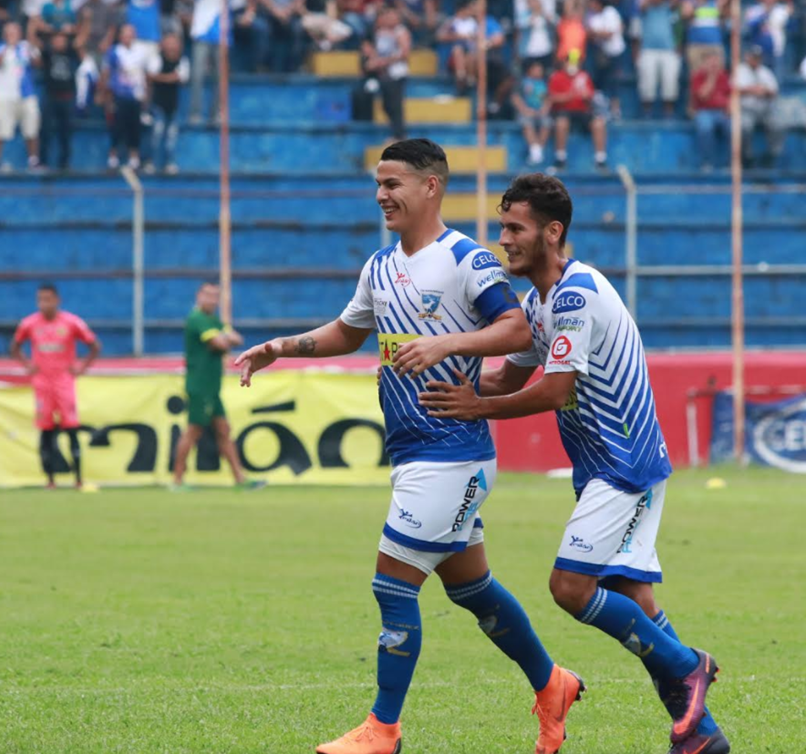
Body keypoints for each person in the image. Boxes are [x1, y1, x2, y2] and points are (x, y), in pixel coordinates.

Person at [234, 139, 582, 754]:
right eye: (378, 184)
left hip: (453, 451)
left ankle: (383, 730)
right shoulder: (379, 266)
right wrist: (280, 347)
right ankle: (552, 683)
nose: (381, 195)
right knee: (472, 589)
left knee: (392, 585)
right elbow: (348, 332)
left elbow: (515, 327)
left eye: (392, 183)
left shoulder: (466, 260)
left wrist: (447, 344)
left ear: (431, 186)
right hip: (413, 454)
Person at [418, 172, 729, 754]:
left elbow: (554, 390)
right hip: (605, 467)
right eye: (501, 227)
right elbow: (507, 378)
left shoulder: (575, 295)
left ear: (552, 231)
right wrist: (435, 383)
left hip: (624, 463)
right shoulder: (538, 303)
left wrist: (476, 407)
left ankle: (689, 666)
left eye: (515, 228)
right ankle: (701, 735)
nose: (503, 240)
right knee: (631, 596)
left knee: (570, 587)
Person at [171, 282, 264, 491]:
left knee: (223, 430)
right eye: (208, 295)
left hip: (212, 387)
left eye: (215, 296)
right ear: (199, 296)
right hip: (200, 385)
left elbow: (237, 339)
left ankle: (239, 478)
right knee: (193, 431)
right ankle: (177, 480)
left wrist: (225, 337)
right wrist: (225, 337)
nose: (212, 300)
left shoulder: (214, 321)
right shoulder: (197, 319)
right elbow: (220, 343)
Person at [10, 284, 101, 490]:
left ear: (57, 300)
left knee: (71, 429)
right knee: (46, 431)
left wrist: (82, 367)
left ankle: (78, 479)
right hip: (42, 384)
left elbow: (94, 345)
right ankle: (50, 480)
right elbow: (14, 346)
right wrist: (26, 365)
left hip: (64, 383)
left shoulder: (71, 322)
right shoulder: (29, 323)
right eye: (40, 300)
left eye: (48, 299)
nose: (44, 304)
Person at [0, 22, 42, 172]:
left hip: (26, 94)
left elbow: (38, 63)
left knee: (31, 129)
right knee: (0, 130)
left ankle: (33, 160)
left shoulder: (26, 47)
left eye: (15, 32)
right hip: (4, 96)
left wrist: (31, 47)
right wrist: (8, 47)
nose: (12, 35)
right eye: (9, 32)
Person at [548, 48, 608, 170]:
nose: (573, 64)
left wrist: (587, 96)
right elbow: (551, 98)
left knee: (599, 123)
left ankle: (600, 159)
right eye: (570, 61)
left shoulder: (584, 76)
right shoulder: (556, 77)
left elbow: (591, 96)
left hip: (583, 111)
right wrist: (568, 96)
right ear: (564, 63)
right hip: (563, 111)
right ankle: (560, 159)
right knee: (561, 123)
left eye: (576, 62)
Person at [361, 7, 411, 141]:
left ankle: (400, 135)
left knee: (395, 105)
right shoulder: (379, 32)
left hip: (397, 73)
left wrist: (383, 62)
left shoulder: (400, 31)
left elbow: (404, 53)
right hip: (384, 74)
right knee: (386, 105)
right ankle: (396, 132)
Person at [103, 23, 147, 170]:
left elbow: (144, 75)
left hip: (136, 95)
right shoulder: (114, 51)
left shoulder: (140, 52)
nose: (128, 37)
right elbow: (107, 73)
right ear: (120, 36)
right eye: (125, 34)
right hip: (119, 95)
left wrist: (145, 95)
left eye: (130, 34)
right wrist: (107, 96)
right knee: (117, 126)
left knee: (135, 127)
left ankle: (134, 157)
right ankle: (113, 156)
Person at [145, 31, 189, 173]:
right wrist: (170, 77)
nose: (171, 47)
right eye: (168, 43)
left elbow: (182, 79)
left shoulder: (183, 61)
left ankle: (170, 163)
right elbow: (150, 76)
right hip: (158, 103)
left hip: (174, 104)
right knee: (156, 133)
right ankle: (151, 162)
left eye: (174, 43)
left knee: (171, 136)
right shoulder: (156, 59)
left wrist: (161, 77)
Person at [735, 44, 785, 168]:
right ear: (747, 56)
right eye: (753, 57)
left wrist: (765, 91)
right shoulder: (740, 70)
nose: (755, 59)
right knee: (744, 126)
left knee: (779, 124)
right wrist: (753, 90)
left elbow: (774, 91)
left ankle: (772, 154)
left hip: (764, 109)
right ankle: (746, 156)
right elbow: (735, 89)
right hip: (746, 109)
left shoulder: (765, 72)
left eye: (757, 57)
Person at [40, 31, 78, 171]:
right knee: (45, 130)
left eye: (62, 40)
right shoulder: (47, 54)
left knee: (66, 132)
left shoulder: (71, 54)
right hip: (51, 97)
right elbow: (34, 43)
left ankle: (64, 163)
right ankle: (43, 161)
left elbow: (80, 41)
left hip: (67, 97)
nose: (59, 43)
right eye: (56, 40)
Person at [636, 0, 680, 118]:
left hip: (669, 49)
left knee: (670, 81)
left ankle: (668, 113)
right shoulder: (645, 7)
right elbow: (642, 5)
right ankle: (647, 113)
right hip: (647, 49)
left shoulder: (669, 7)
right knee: (647, 82)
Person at [690, 49, 729, 171]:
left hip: (722, 112)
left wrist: (730, 107)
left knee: (733, 127)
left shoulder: (724, 76)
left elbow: (731, 94)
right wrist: (711, 77)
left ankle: (729, 164)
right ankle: (707, 163)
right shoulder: (697, 76)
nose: (714, 64)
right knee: (705, 128)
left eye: (716, 61)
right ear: (704, 63)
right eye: (711, 61)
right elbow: (703, 95)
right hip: (704, 111)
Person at [585, 0, 624, 117]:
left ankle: (615, 110)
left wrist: (596, 33)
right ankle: (600, 109)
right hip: (601, 54)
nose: (591, 5)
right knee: (599, 81)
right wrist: (598, 33)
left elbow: (609, 34)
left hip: (615, 53)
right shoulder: (593, 17)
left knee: (614, 82)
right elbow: (589, 35)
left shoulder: (610, 12)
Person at [515, 58, 552, 165]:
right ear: (529, 70)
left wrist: (544, 109)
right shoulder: (522, 82)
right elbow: (515, 97)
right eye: (536, 69)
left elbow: (548, 98)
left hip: (541, 111)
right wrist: (525, 110)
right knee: (527, 123)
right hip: (526, 111)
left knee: (547, 122)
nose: (538, 72)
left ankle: (538, 150)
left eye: (540, 70)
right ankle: (535, 151)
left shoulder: (545, 83)